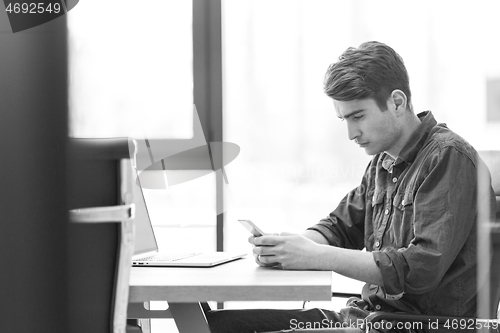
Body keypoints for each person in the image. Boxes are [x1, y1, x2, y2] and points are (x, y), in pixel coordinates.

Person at [205, 41, 496, 333]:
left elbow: (420, 269)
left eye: (358, 116)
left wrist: (314, 256)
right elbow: (339, 227)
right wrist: (288, 248)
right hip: (364, 319)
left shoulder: (447, 158)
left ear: (397, 102)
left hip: (415, 327)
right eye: (344, 119)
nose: (351, 133)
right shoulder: (383, 163)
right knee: (217, 325)